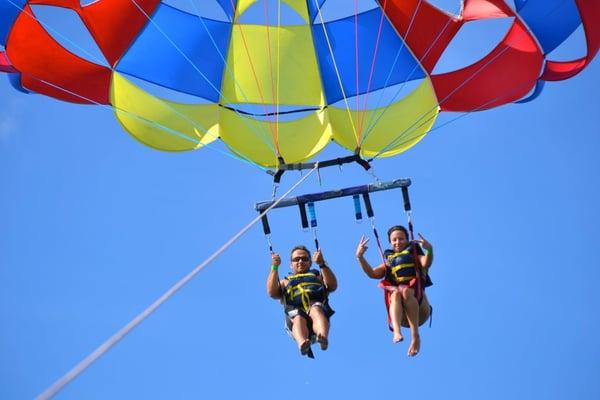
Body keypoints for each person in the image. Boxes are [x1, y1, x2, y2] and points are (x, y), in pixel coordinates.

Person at [356, 225, 433, 357]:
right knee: (396, 292)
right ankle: (396, 332)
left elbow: (426, 263)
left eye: (401, 239)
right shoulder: (390, 261)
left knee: (405, 291)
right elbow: (373, 274)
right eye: (394, 240)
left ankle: (415, 336)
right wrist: (360, 257)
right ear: (390, 242)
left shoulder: (414, 254)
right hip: (402, 317)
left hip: (421, 311)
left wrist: (429, 250)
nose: (397, 242)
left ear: (407, 240)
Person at [267, 245, 337, 357]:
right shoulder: (285, 282)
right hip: (295, 317)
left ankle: (322, 337)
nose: (300, 261)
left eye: (304, 259)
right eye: (296, 259)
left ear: (310, 262)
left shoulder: (318, 277)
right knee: (298, 316)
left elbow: (332, 286)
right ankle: (302, 344)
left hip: (316, 310)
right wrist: (274, 267)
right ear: (291, 264)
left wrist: (322, 264)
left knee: (316, 309)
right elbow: (272, 293)